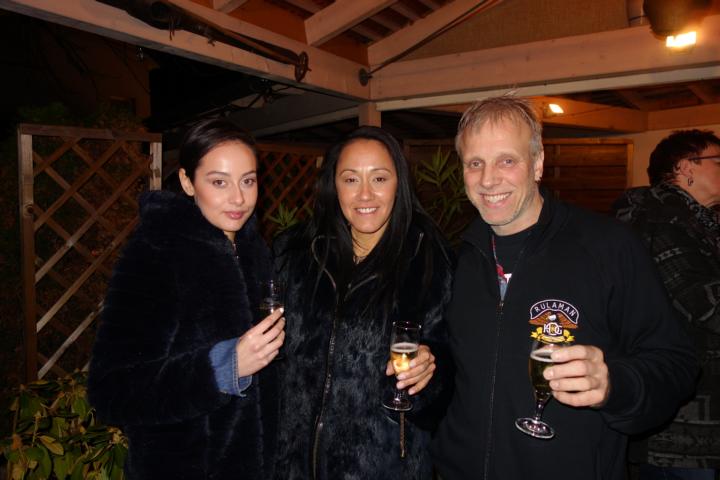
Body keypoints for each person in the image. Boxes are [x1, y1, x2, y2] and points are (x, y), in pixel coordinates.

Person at [431, 95, 699, 480]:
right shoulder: (461, 258)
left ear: (538, 163)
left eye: (507, 160)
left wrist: (614, 384)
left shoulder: (608, 247)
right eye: (475, 163)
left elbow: (676, 363)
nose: (488, 180)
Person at [87, 118, 285, 479]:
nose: (239, 198)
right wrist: (223, 368)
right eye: (219, 182)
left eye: (248, 180)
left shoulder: (255, 251)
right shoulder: (157, 252)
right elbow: (111, 391)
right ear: (187, 181)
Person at [271, 126, 454, 479]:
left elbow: (452, 370)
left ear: (399, 184)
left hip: (385, 468)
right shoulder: (294, 253)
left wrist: (432, 372)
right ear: (333, 185)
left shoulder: (428, 260)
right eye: (351, 179)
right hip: (291, 464)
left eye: (380, 178)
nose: (365, 194)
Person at [615, 129, 720, 480]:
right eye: (718, 161)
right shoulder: (660, 222)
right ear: (685, 167)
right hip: (681, 424)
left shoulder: (700, 222)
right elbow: (706, 305)